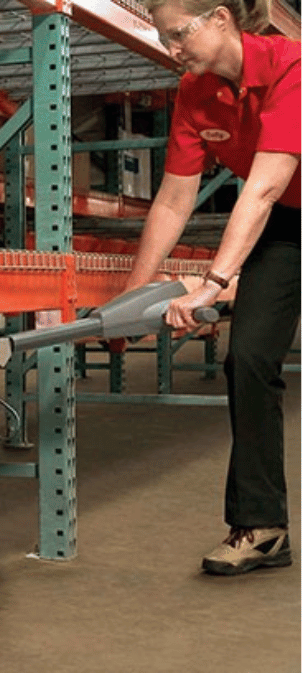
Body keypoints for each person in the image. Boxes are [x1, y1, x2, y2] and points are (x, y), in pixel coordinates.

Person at [124, 0, 300, 575]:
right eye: (165, 38)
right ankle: (263, 526)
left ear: (220, 18)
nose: (172, 50)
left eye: (179, 35)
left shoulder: (292, 66)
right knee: (247, 356)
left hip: (275, 201)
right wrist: (132, 298)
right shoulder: (194, 92)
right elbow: (175, 198)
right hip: (288, 225)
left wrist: (213, 282)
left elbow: (264, 188)